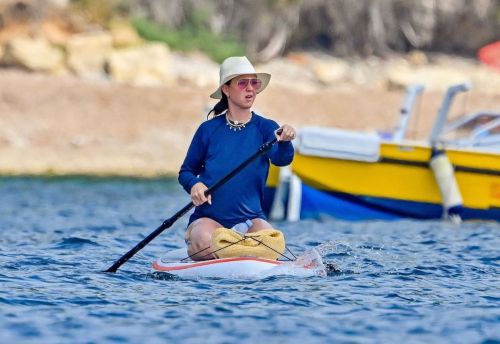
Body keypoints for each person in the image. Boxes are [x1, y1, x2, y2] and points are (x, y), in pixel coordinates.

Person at [178, 56, 296, 260]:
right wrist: (195, 185)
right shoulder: (208, 130)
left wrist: (285, 141)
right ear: (226, 89)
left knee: (275, 243)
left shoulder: (266, 127)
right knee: (205, 241)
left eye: (254, 83)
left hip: (252, 221)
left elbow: (281, 160)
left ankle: (235, 249)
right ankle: (237, 250)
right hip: (210, 219)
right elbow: (186, 172)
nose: (250, 88)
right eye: (242, 83)